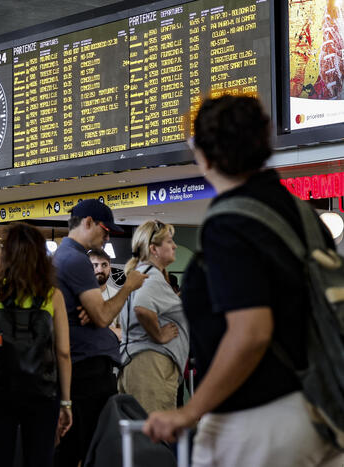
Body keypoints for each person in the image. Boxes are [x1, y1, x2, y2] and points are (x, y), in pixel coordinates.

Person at [143, 95, 344, 466]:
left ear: (203, 154)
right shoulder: (301, 214)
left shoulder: (229, 223)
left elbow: (250, 332)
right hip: (322, 412)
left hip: (260, 423)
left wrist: (189, 412)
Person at [53, 199, 147, 467]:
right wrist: (128, 286)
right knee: (93, 450)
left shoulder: (62, 257)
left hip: (81, 368)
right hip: (88, 371)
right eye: (105, 231)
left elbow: (94, 314)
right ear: (88, 223)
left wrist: (93, 312)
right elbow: (104, 315)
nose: (107, 238)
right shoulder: (76, 259)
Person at [0, 222, 72, 467]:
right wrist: (66, 402)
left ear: (7, 255)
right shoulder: (52, 295)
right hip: (42, 392)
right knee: (40, 458)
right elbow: (63, 353)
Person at [117, 220, 189, 414]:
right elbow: (142, 307)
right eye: (169, 241)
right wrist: (159, 335)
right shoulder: (151, 277)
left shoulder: (143, 274)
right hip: (150, 367)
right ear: (153, 249)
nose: (174, 246)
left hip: (141, 365)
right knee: (152, 438)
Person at [88, 248, 122, 341]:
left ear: (109, 268)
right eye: (95, 265)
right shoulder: (78, 295)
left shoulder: (118, 296)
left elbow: (123, 332)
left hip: (111, 351)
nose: (100, 269)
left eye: (104, 265)